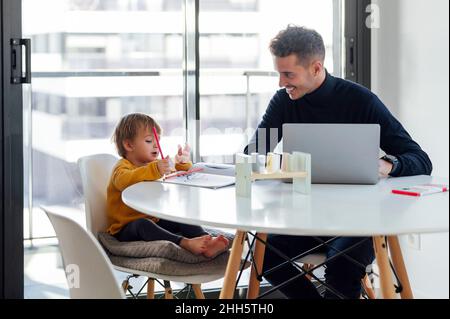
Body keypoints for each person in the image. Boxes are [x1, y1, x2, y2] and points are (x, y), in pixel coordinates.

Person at [244, 25, 432, 299]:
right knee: (264, 254)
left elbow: (420, 159)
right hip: (303, 218)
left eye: (288, 74)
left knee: (342, 266)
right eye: (279, 73)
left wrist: (388, 165)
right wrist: (271, 162)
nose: (281, 82)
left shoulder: (360, 100)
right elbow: (255, 153)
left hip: (356, 221)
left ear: (316, 68)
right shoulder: (283, 101)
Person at [107, 113, 229, 258]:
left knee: (180, 217)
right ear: (129, 145)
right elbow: (124, 181)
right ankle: (185, 243)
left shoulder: (153, 164)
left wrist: (182, 163)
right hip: (126, 229)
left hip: (154, 220)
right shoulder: (122, 167)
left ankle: (206, 240)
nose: (155, 145)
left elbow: (175, 172)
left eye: (157, 140)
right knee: (143, 224)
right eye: (148, 140)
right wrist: (156, 169)